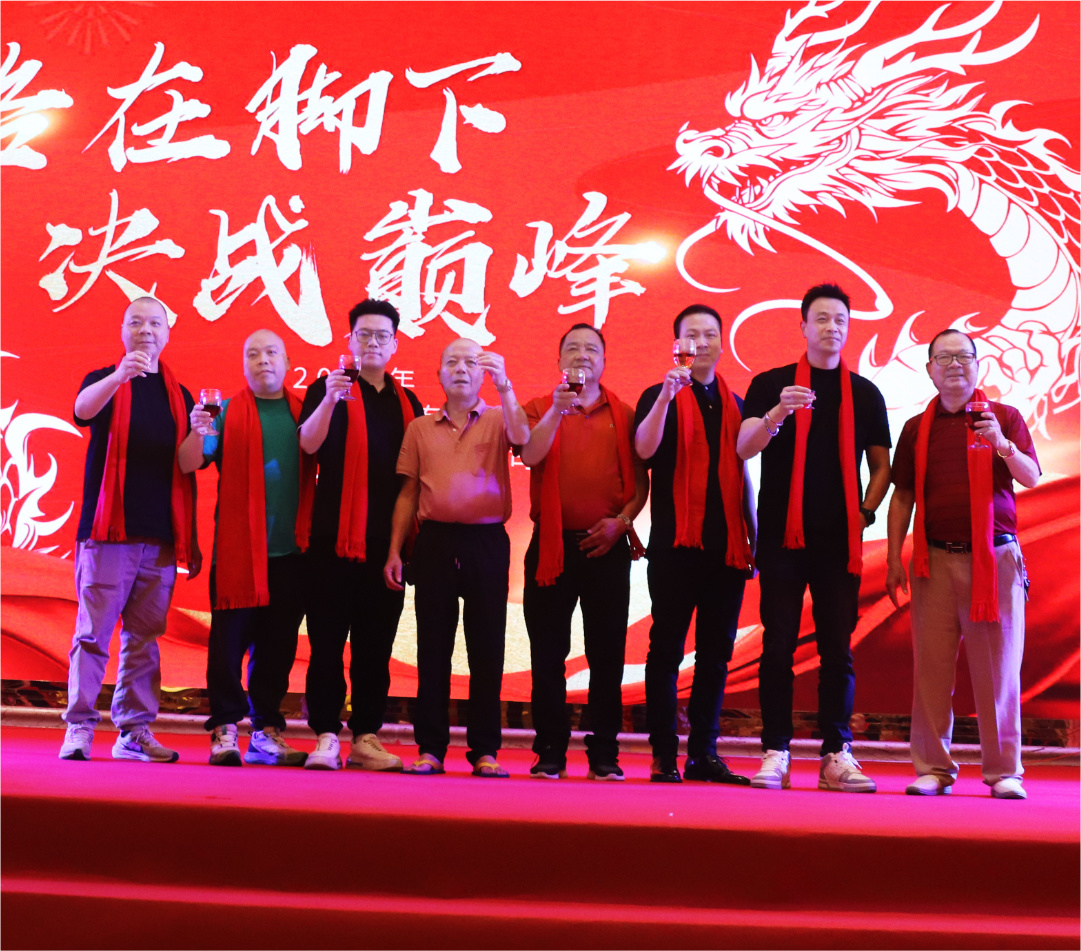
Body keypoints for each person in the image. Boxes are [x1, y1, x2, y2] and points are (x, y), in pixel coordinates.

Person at [738, 283, 891, 792]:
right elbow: (744, 448)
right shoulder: (771, 384)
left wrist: (866, 512)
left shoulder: (864, 393)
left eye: (840, 320)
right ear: (803, 326)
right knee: (777, 646)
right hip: (782, 538)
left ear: (849, 328)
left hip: (839, 542)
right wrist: (778, 412)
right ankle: (775, 751)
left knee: (837, 651)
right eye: (822, 319)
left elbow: (882, 465)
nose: (832, 327)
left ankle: (836, 753)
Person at [886, 330, 1040, 799]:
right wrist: (893, 558)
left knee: (998, 673)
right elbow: (903, 496)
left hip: (995, 561)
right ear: (929, 370)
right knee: (931, 672)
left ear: (978, 365)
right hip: (933, 561)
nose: (955, 365)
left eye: (963, 357)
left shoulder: (1003, 417)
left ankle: (1004, 771)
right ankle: (933, 768)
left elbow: (1031, 477)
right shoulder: (916, 428)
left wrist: (1001, 444)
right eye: (944, 358)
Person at [59, 296, 199, 764]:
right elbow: (81, 411)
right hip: (107, 535)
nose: (145, 330)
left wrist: (201, 431)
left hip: (158, 538)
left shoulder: (179, 395)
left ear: (167, 333)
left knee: (144, 640)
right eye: (136, 322)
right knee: (92, 636)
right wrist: (120, 376)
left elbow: (188, 463)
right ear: (122, 331)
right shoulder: (105, 379)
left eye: (155, 323)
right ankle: (79, 727)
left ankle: (133, 731)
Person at [384, 338, 530, 777]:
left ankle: (485, 750)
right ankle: (431, 748)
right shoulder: (419, 428)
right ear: (439, 374)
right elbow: (408, 493)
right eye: (452, 362)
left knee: (487, 647)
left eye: (470, 362)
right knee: (433, 647)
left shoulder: (500, 417)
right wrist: (395, 549)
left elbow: (524, 438)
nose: (461, 369)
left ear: (483, 372)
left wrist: (505, 385)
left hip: (487, 542)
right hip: (435, 542)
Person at [297, 299, 424, 771]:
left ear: (395, 344)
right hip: (330, 541)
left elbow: (412, 480)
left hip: (385, 545)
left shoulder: (408, 403)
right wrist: (331, 399)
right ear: (350, 340)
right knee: (326, 644)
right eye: (363, 334)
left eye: (381, 336)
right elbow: (307, 444)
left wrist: (398, 548)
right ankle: (326, 735)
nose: (372, 342)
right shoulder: (327, 387)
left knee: (375, 647)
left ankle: (366, 736)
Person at [178, 329, 314, 767]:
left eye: (271, 352)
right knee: (227, 648)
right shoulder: (223, 413)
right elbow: (188, 462)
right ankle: (224, 729)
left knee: (278, 649)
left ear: (288, 362)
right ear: (243, 365)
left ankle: (266, 731)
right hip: (237, 553)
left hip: (292, 554)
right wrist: (197, 431)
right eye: (252, 354)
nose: (263, 360)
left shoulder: (305, 413)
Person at [635, 304, 758, 784]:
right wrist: (666, 398)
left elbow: (743, 475)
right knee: (665, 651)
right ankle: (664, 753)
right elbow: (644, 450)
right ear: (676, 345)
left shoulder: (736, 402)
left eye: (709, 334)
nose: (701, 343)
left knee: (715, 655)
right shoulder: (657, 393)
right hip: (674, 545)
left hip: (725, 547)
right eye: (691, 335)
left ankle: (704, 753)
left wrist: (752, 536)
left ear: (722, 343)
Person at [520, 323, 648, 781]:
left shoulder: (624, 414)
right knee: (547, 654)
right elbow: (530, 456)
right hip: (551, 547)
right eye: (572, 348)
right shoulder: (538, 408)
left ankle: (605, 752)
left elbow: (640, 483)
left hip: (606, 548)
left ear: (604, 361)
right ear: (559, 361)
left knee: (607, 655)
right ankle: (550, 750)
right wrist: (557, 411)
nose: (581, 355)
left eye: (591, 349)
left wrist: (622, 523)